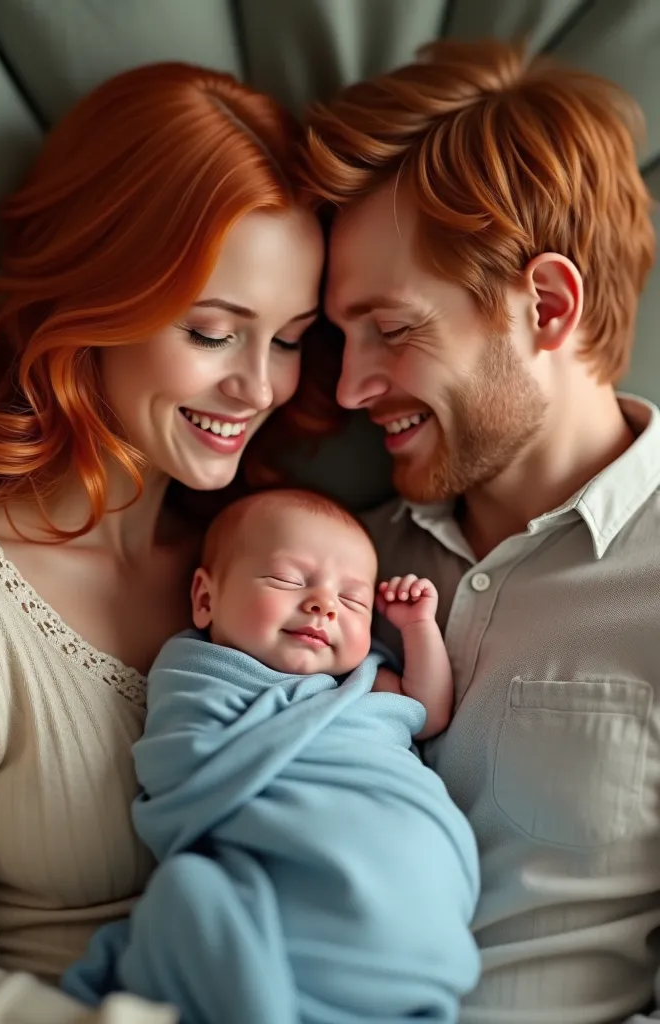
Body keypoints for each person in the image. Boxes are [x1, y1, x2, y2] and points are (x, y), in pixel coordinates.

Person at [301, 36, 660, 1024]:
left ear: (545, 305)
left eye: (393, 328)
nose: (348, 388)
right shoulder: (331, 562)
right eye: (338, 336)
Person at [0, 61, 340, 1023]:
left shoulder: (288, 564)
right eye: (214, 333)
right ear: (96, 297)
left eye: (292, 336)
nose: (261, 387)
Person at [62, 487, 480, 1024]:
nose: (323, 604)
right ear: (206, 600)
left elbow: (431, 710)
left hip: (416, 895)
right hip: (294, 882)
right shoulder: (197, 674)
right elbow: (186, 765)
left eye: (352, 600)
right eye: (288, 580)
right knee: (188, 896)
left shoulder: (369, 679)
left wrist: (418, 628)